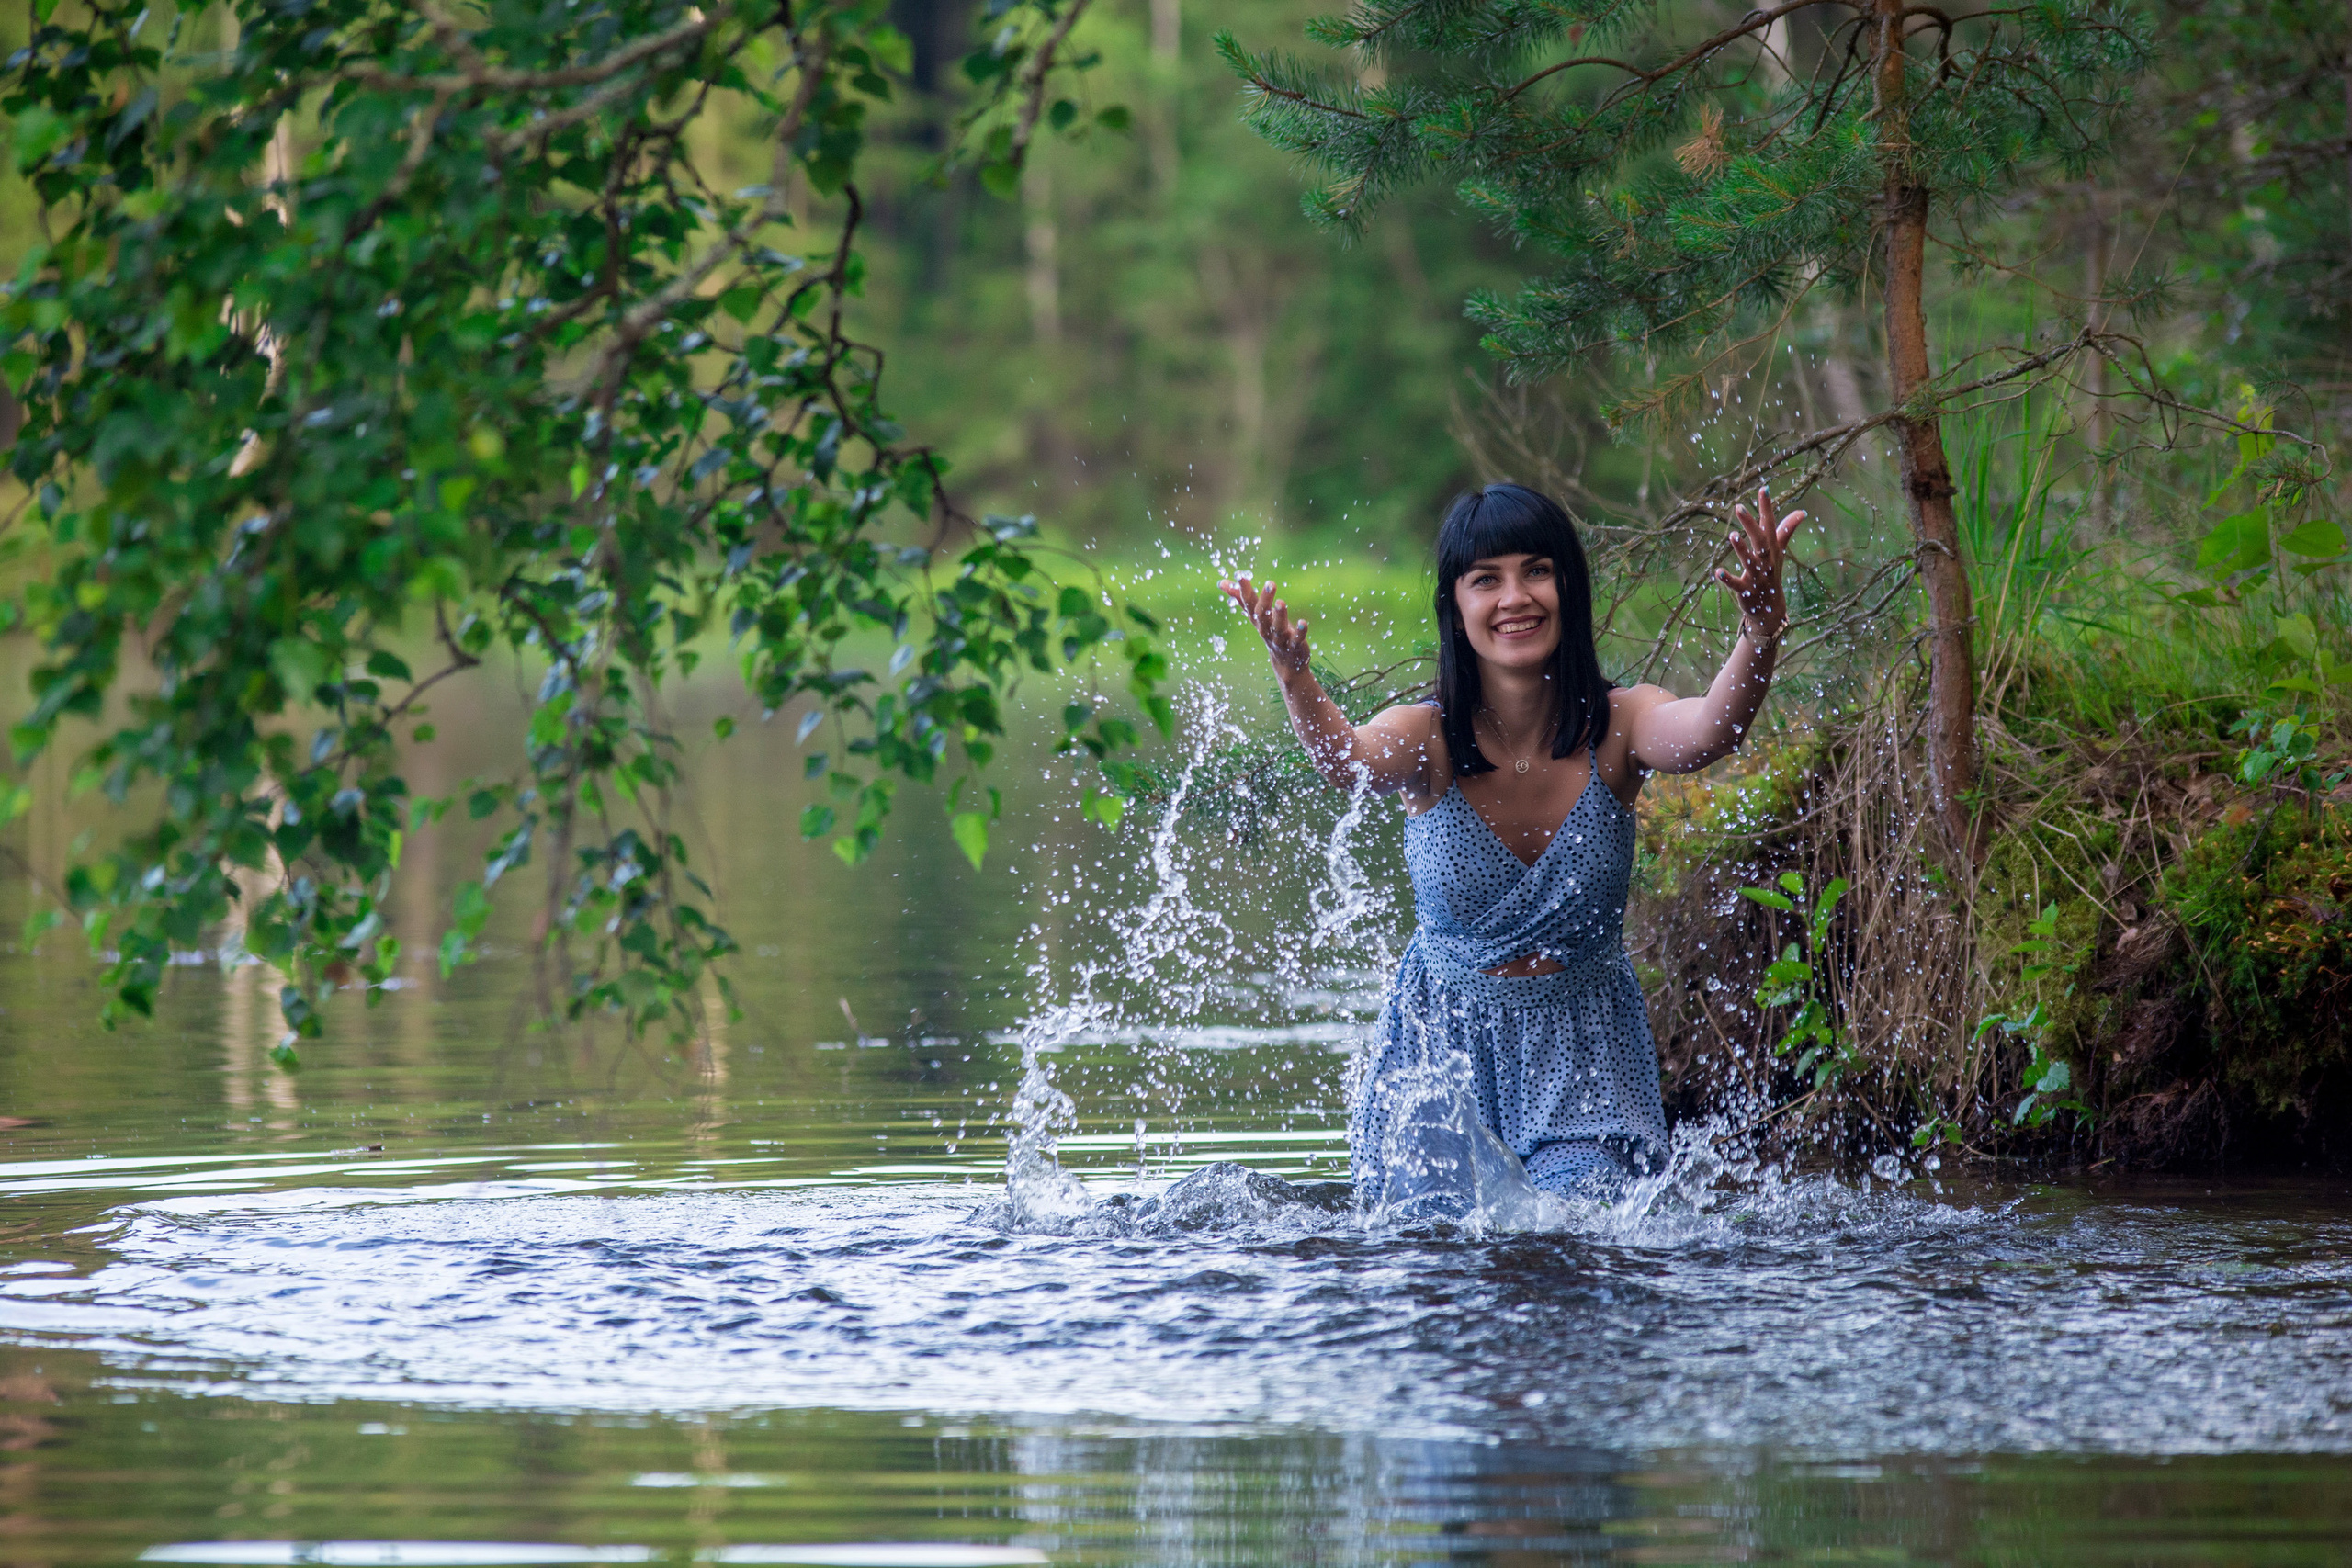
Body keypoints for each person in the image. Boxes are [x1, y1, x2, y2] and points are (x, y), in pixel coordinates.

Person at [1222, 482, 1804, 1211]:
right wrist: (1294, 676)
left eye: (1537, 569)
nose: (1515, 597)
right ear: (1456, 606)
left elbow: (1713, 731)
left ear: (1569, 585)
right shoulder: (1426, 734)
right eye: (1485, 579)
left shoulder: (1622, 724)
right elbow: (1348, 761)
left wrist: (1760, 633)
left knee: (1574, 1233)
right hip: (1442, 1067)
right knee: (1433, 1247)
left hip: (1586, 1059)